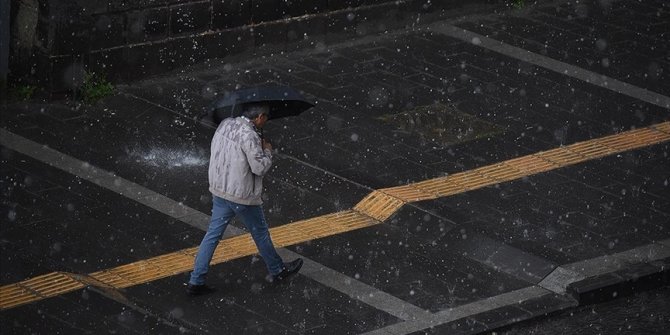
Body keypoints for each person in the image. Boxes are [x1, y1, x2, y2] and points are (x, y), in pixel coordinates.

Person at [186, 103, 303, 296]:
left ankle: (196, 280)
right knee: (260, 233)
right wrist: (267, 151)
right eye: (266, 117)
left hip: (219, 189)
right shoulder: (249, 136)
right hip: (241, 194)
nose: (266, 120)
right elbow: (260, 168)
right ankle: (278, 270)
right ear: (259, 118)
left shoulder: (225, 124)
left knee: (212, 235)